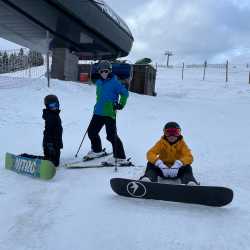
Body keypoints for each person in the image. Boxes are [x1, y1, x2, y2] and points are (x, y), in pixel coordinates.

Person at [85, 60, 129, 165]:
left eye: (106, 71)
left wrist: (121, 104)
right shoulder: (99, 82)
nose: (103, 73)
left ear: (109, 71)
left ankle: (120, 157)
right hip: (98, 112)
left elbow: (125, 93)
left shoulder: (115, 83)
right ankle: (97, 150)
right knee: (91, 132)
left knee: (111, 136)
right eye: (101, 71)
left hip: (109, 113)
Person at [42, 95, 63, 167]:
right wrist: (49, 145)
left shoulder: (54, 114)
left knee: (55, 162)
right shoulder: (51, 116)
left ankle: (48, 160)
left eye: (56, 105)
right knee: (53, 163)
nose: (54, 108)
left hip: (56, 143)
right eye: (52, 106)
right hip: (51, 144)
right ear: (47, 106)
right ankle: (44, 163)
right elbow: (48, 132)